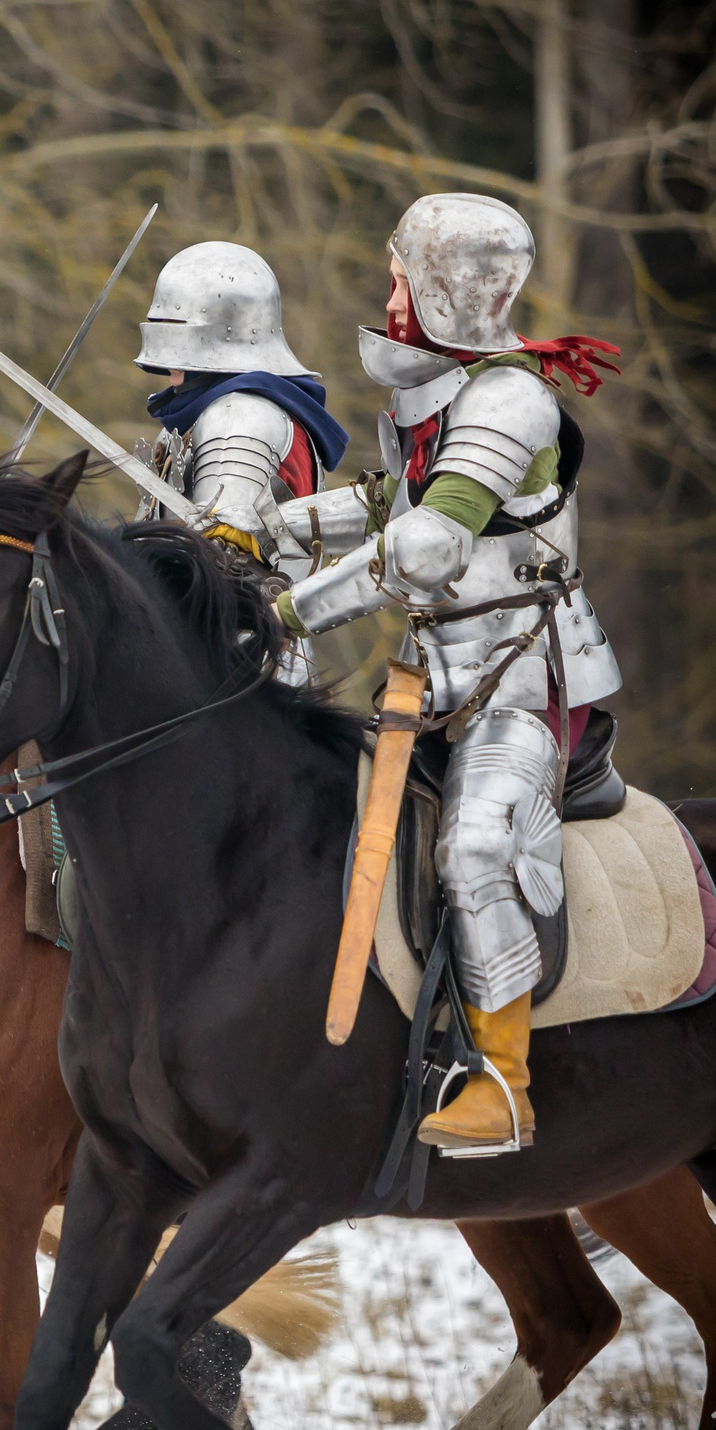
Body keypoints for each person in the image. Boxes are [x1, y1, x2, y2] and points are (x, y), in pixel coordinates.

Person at [276, 194, 623, 1154]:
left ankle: (507, 1084)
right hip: (439, 683)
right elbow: (388, 500)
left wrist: (292, 607)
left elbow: (427, 542)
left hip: (521, 682)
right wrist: (264, 531)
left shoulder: (510, 400)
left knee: (472, 846)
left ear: (441, 290)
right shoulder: (441, 395)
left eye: (401, 275)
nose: (387, 291)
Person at [130, 242, 348, 685]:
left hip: (237, 667)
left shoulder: (239, 418)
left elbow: (222, 566)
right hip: (204, 657)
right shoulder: (202, 414)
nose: (169, 367)